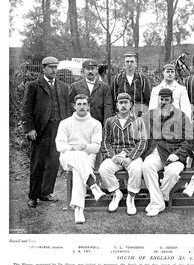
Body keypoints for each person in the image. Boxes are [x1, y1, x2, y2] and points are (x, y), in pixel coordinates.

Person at [22, 56, 72, 208]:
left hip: (59, 129)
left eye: (56, 67)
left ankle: (45, 193)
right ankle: (33, 196)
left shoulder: (63, 87)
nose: (54, 70)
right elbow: (27, 108)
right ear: (43, 68)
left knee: (54, 162)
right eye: (50, 67)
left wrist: (69, 129)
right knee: (38, 163)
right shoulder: (34, 85)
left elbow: (67, 109)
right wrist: (30, 128)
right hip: (40, 130)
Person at [141, 88, 193, 216]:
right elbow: (142, 137)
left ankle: (158, 199)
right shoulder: (150, 115)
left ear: (172, 101)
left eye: (166, 100)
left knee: (173, 172)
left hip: (175, 154)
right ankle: (158, 202)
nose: (163, 102)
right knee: (147, 166)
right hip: (156, 152)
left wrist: (178, 154)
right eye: (161, 99)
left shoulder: (181, 116)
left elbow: (189, 141)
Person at [55, 94, 105, 224]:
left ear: (88, 106)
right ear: (74, 106)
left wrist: (84, 146)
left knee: (79, 169)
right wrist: (74, 148)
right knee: (79, 156)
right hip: (67, 158)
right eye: (79, 104)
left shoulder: (96, 124)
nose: (82, 107)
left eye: (84, 104)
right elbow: (60, 145)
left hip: (88, 158)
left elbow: (95, 147)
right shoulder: (65, 123)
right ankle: (93, 186)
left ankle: (78, 209)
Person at [99, 93, 147, 215]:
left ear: (130, 105)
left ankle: (131, 198)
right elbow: (105, 141)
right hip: (115, 155)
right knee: (104, 169)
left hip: (132, 156)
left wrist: (130, 157)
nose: (124, 105)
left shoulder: (138, 121)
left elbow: (142, 141)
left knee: (136, 169)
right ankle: (116, 193)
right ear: (117, 105)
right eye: (121, 103)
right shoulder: (110, 121)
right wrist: (112, 156)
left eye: (126, 103)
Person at [69, 59, 113, 126]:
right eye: (88, 69)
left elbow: (108, 106)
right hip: (80, 123)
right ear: (83, 70)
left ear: (96, 70)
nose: (90, 71)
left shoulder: (104, 87)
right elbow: (71, 104)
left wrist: (106, 124)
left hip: (98, 123)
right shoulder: (75, 86)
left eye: (92, 69)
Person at [110, 52, 151, 117]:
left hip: (138, 116)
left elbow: (147, 99)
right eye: (127, 62)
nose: (129, 64)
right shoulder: (117, 79)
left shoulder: (142, 79)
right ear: (124, 64)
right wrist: (116, 112)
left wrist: (142, 112)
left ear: (136, 64)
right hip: (121, 116)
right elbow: (113, 98)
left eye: (132, 61)